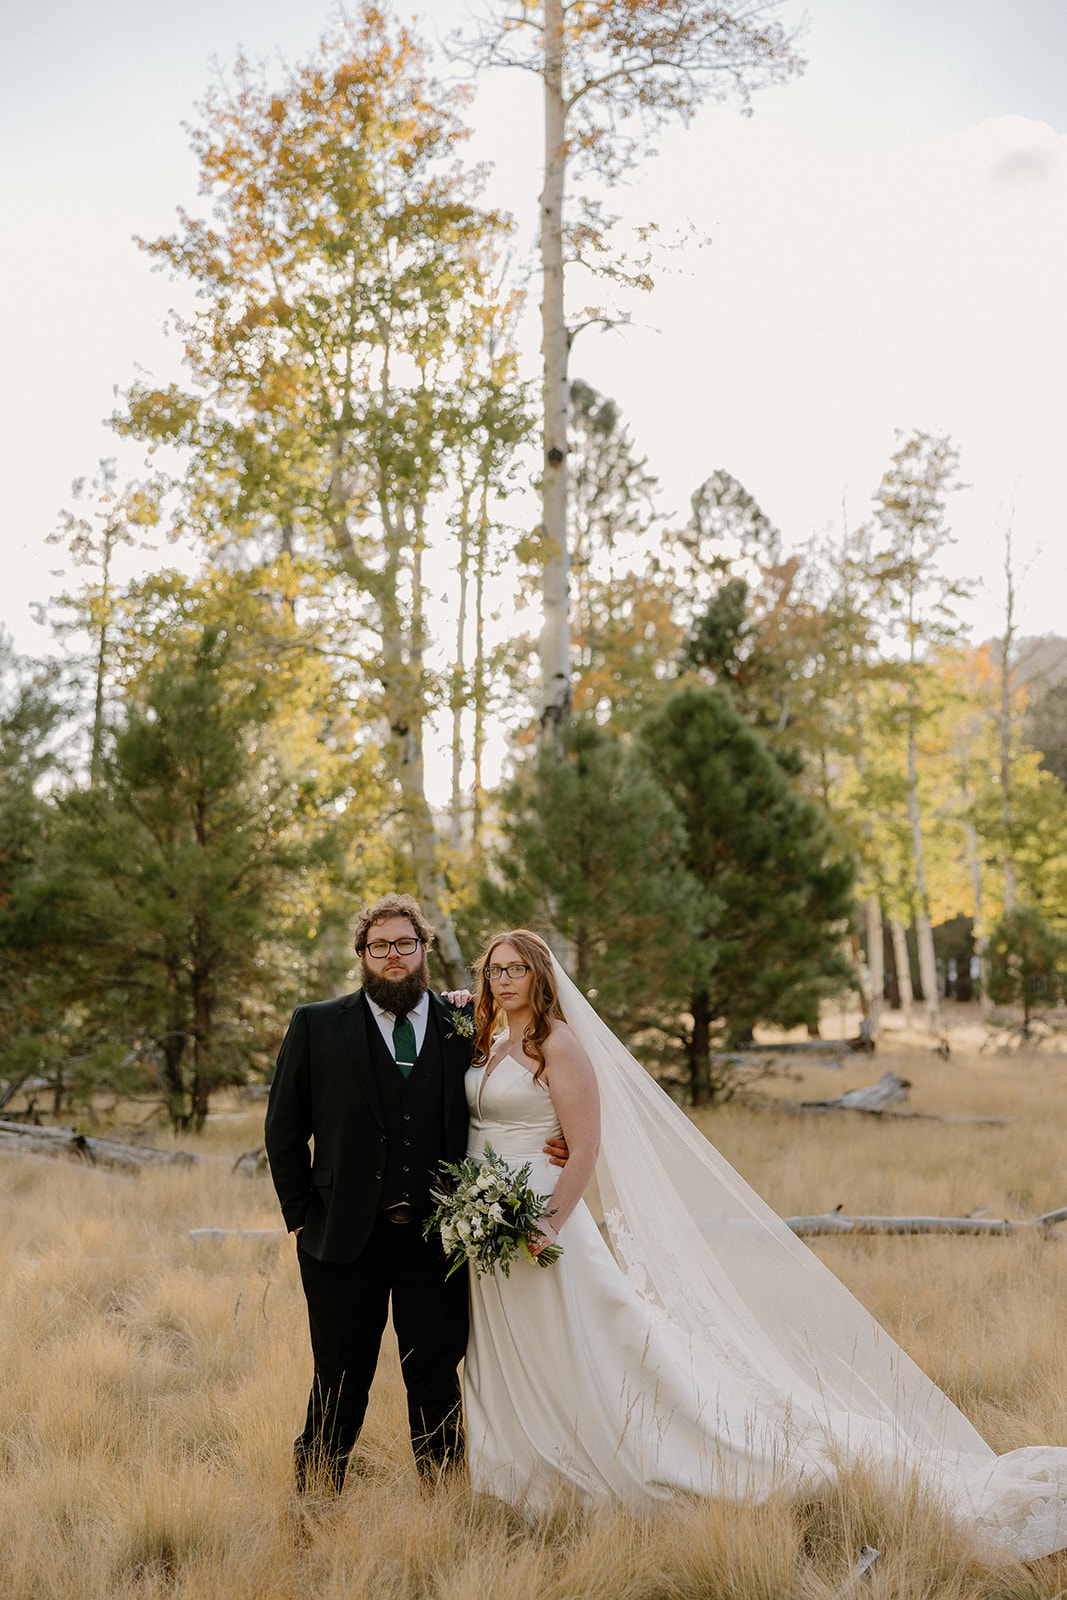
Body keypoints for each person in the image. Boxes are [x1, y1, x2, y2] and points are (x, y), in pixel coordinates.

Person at [460, 929, 1067, 1562]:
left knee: (597, 1337)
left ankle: (664, 1451)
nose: (505, 980)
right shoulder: (484, 1041)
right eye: (495, 970)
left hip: (543, 1226)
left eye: (518, 970)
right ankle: (527, 1467)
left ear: (540, 977)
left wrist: (549, 1222)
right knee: (518, 1345)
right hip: (486, 1228)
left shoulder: (559, 1044)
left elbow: (584, 1145)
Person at [263, 893, 565, 1493]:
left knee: (434, 1375)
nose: (393, 956)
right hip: (341, 1238)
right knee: (340, 1376)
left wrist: (556, 1133)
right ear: (363, 955)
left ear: (424, 948)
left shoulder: (463, 1026)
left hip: (439, 1239)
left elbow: (515, 1082)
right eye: (380, 947)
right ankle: (316, 1500)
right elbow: (284, 1127)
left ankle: (444, 1502)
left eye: (405, 943)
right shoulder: (317, 1024)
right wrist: (301, 1216)